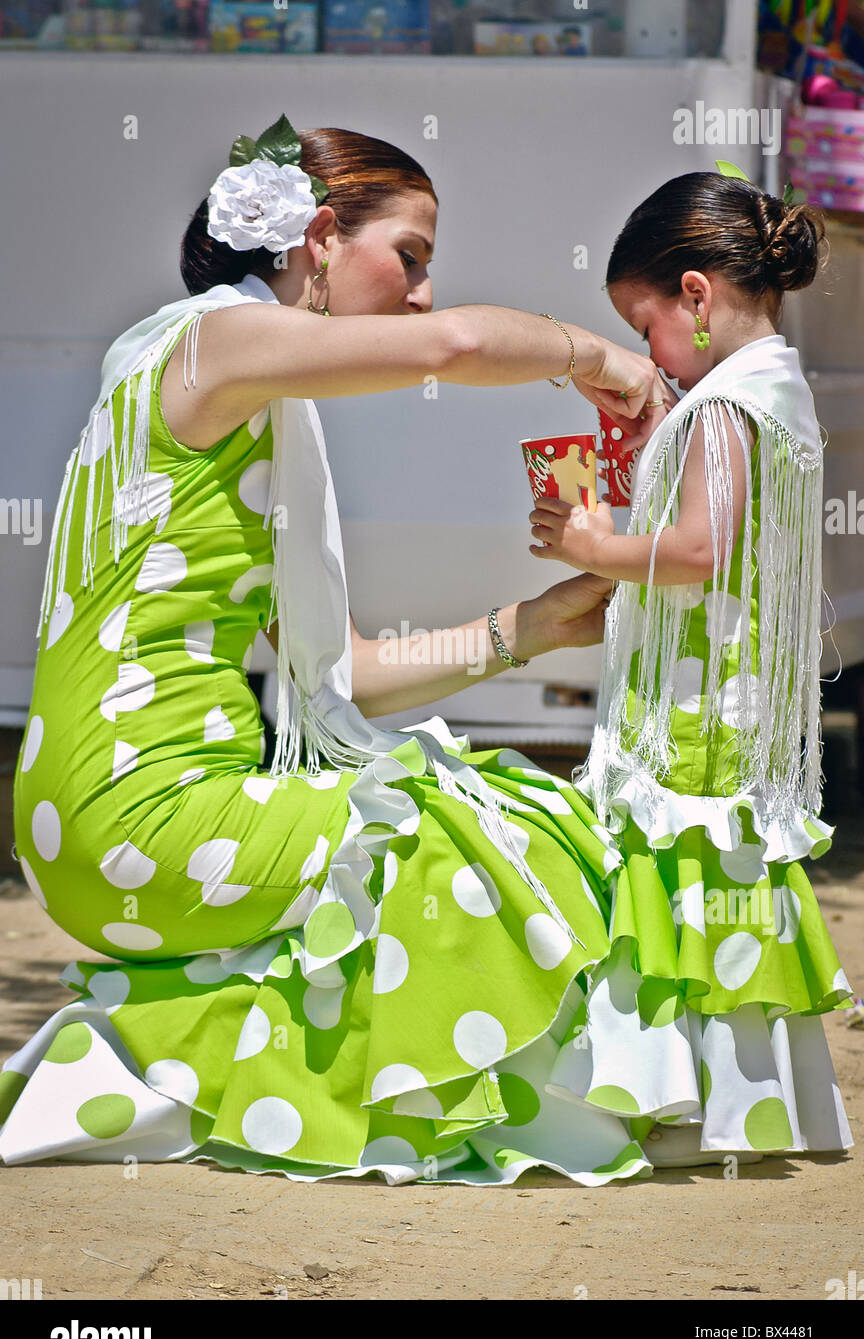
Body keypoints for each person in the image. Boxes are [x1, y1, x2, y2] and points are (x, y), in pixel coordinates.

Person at [1, 115, 695, 1189]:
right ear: (319, 236)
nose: (420, 292)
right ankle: (429, 1103)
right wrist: (599, 358)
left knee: (509, 805)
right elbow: (453, 345)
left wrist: (540, 627)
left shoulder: (202, 382)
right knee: (457, 827)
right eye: (409, 258)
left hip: (104, 824)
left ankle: (165, 1061)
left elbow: (345, 675)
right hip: (144, 814)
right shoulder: (214, 343)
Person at [528, 170, 855, 1166]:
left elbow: (700, 551)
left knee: (671, 891)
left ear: (697, 295)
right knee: (725, 896)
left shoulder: (723, 408)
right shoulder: (776, 390)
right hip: (736, 693)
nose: (646, 354)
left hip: (697, 706)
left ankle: (669, 1103)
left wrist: (592, 543)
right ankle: (742, 1101)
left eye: (646, 323)